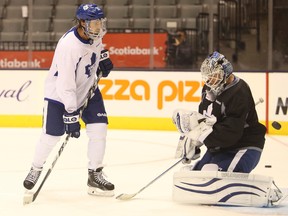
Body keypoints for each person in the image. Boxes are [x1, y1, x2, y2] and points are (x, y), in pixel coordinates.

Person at [23, 4, 115, 196]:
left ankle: (94, 174)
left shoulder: (94, 34)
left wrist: (103, 57)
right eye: (95, 23)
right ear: (82, 23)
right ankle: (36, 167)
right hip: (60, 96)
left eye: (100, 22)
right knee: (51, 137)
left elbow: (94, 49)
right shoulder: (69, 46)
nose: (99, 27)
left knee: (99, 130)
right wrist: (71, 111)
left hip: (88, 88)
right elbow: (65, 83)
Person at [172, 51, 266, 173]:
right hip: (220, 147)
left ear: (225, 73)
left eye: (214, 75)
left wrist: (202, 136)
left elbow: (231, 133)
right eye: (207, 76)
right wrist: (193, 140)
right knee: (197, 174)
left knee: (214, 174)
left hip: (245, 145)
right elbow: (205, 121)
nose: (209, 80)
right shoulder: (208, 88)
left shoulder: (239, 92)